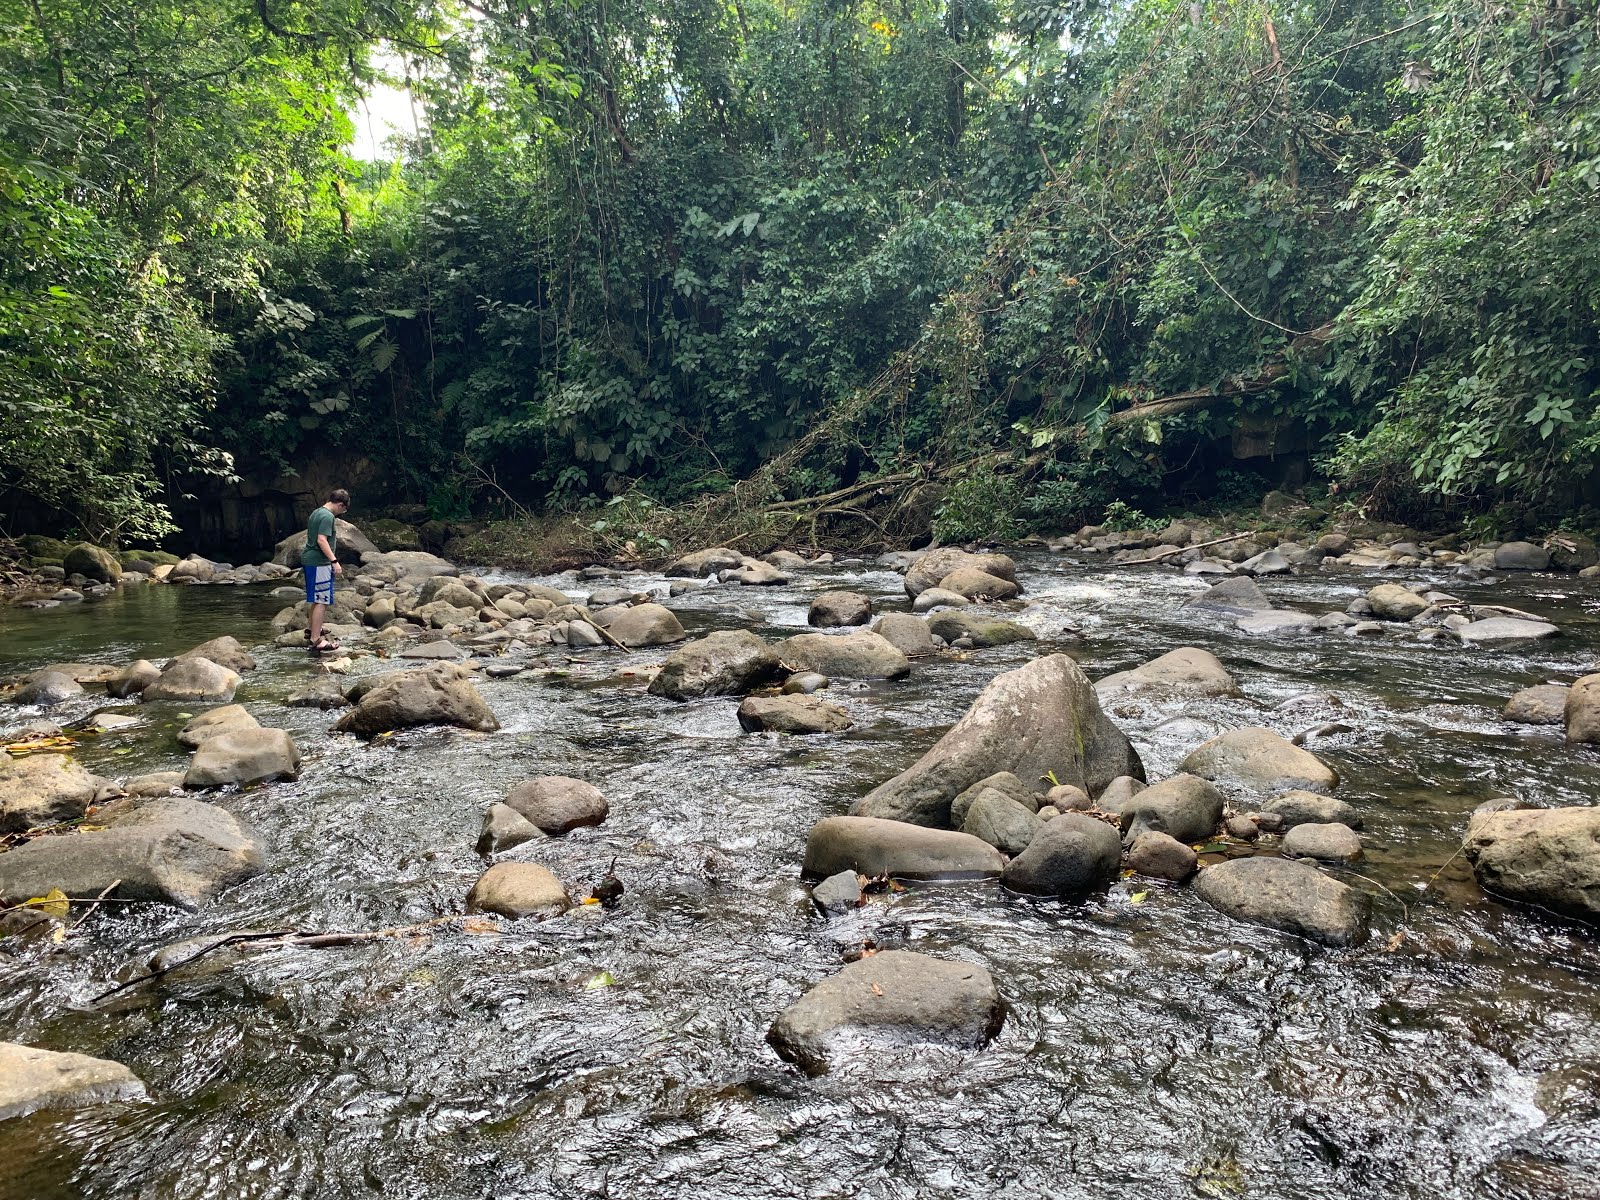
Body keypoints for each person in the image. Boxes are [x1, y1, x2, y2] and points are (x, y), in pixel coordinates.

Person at [302, 488, 350, 653]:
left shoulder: (317, 512)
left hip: (312, 560)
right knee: (322, 600)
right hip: (319, 562)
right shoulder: (327, 516)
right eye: (343, 510)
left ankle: (311, 631)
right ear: (341, 505)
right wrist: (334, 561)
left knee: (316, 599)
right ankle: (316, 639)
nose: (341, 513)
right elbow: (322, 540)